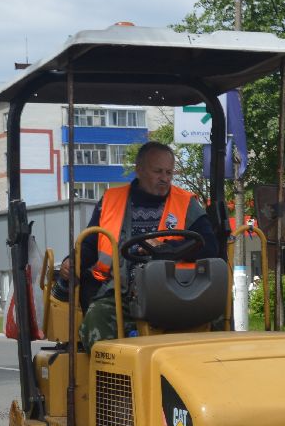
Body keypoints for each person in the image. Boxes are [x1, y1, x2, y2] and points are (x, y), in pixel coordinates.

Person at [56, 141, 220, 349]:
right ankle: (112, 377)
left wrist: (167, 248)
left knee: (217, 316)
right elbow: (90, 243)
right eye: (158, 171)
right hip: (121, 292)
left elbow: (209, 246)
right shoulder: (111, 200)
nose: (165, 178)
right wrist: (72, 261)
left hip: (176, 291)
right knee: (96, 320)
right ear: (139, 170)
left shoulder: (186, 203)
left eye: (169, 172)